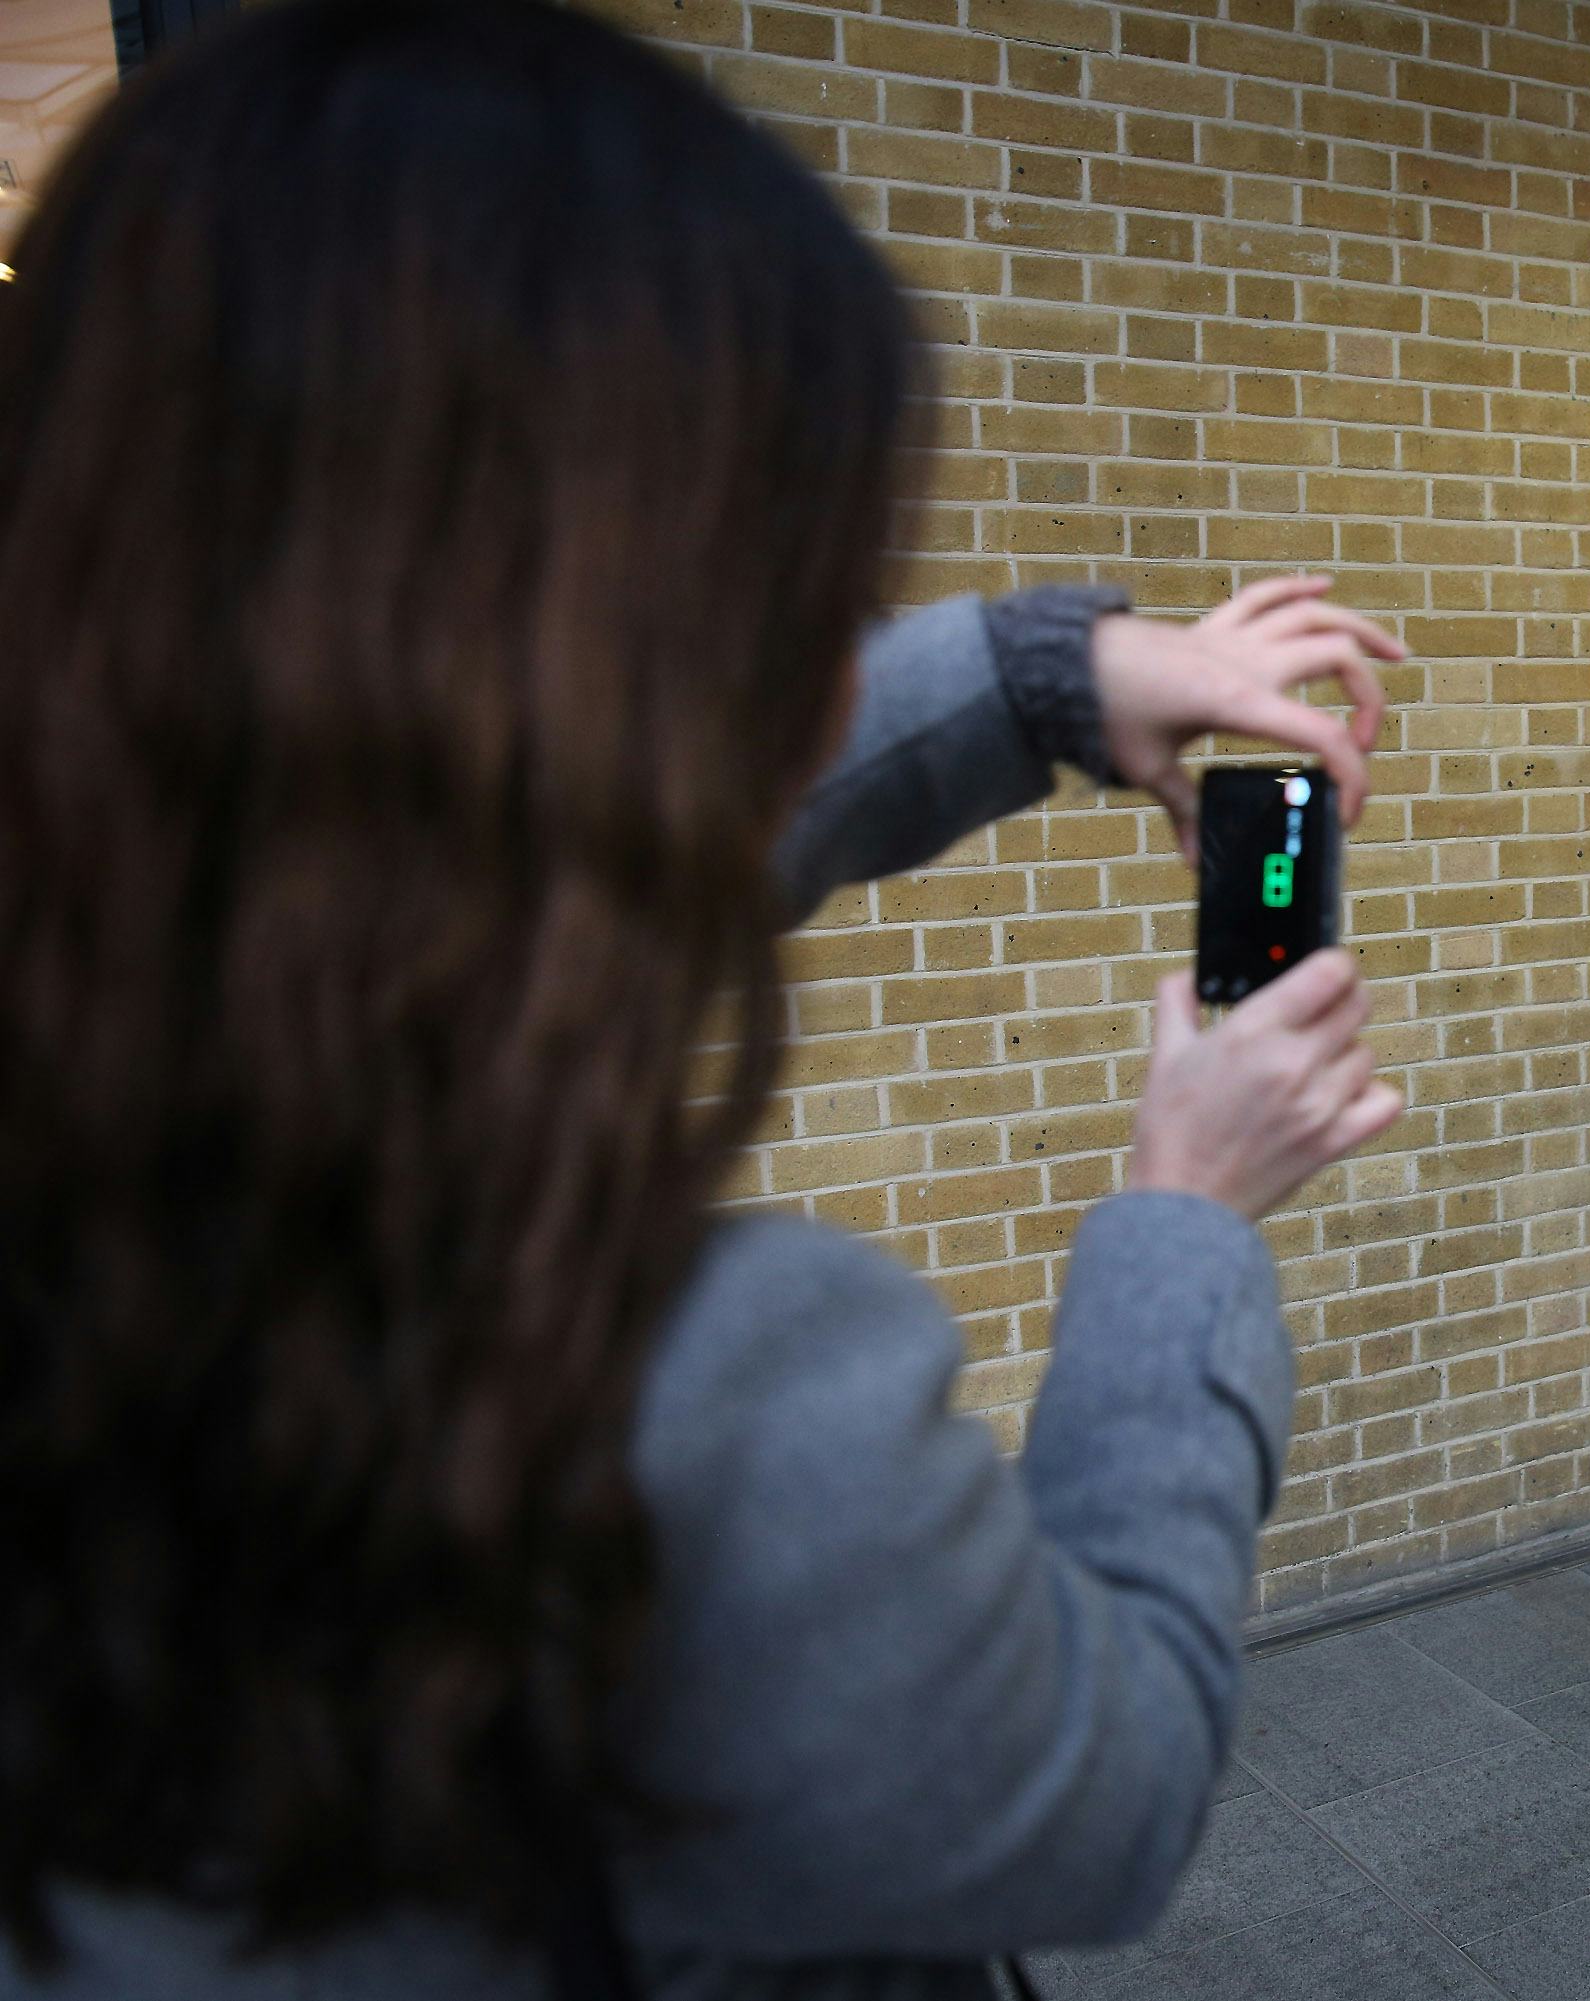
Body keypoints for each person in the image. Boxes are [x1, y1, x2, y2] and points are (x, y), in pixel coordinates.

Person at [0, 2, 1404, 1994]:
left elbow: (486, 863)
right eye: (786, 603)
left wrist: (1045, 679)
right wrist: (1185, 1215)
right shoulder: (684, 1421)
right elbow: (1103, 1790)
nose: (830, 678)